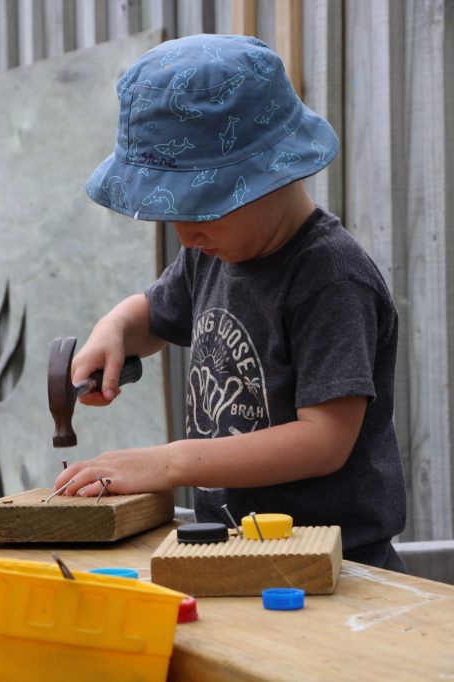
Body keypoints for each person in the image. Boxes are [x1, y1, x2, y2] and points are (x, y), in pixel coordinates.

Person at [53, 33, 407, 571]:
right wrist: (116, 331)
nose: (186, 235)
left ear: (271, 173)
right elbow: (155, 313)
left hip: (337, 567)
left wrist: (171, 463)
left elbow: (325, 439)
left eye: (203, 208)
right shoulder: (215, 252)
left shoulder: (331, 279)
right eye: (173, 213)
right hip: (234, 551)